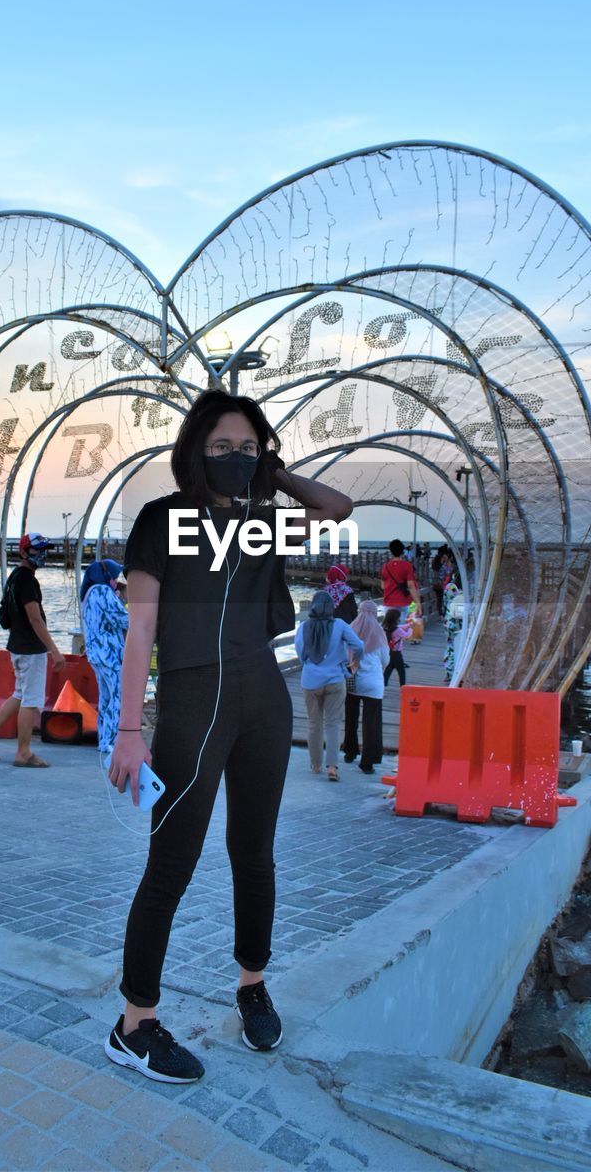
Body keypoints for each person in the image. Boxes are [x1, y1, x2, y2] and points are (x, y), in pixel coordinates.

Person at [104, 389, 353, 1084]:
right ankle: (134, 1024)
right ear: (194, 452)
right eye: (221, 448)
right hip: (191, 698)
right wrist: (130, 729)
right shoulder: (159, 520)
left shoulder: (265, 524)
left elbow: (337, 508)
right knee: (171, 862)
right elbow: (142, 628)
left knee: (255, 852)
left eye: (247, 447)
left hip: (262, 694)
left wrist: (268, 475)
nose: (234, 458)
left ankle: (251, 985)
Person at [0, 533, 65, 767]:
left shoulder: (14, 577)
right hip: (31, 649)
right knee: (31, 700)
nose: (42, 554)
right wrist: (54, 650)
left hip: (17, 646)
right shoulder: (27, 580)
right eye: (37, 550)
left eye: (44, 549)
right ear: (24, 552)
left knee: (20, 694)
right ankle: (23, 752)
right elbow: (35, 619)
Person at [295, 592, 364, 782]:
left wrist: (310, 665)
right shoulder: (340, 625)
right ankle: (332, 767)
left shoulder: (303, 627)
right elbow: (358, 645)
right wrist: (355, 662)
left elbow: (300, 653)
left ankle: (316, 764)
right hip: (334, 679)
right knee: (333, 723)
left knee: (314, 723)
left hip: (310, 681)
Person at [81, 559, 128, 755]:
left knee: (106, 697)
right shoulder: (102, 591)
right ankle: (111, 741)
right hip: (109, 653)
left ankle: (104, 739)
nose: (116, 581)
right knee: (119, 695)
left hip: (96, 653)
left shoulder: (89, 594)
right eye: (115, 577)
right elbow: (122, 619)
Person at [342, 600, 388, 773]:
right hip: (374, 683)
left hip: (353, 681)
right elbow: (386, 660)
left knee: (351, 717)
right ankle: (368, 762)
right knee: (372, 723)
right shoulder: (379, 633)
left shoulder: (351, 630)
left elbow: (344, 656)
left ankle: (349, 751)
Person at [381, 539, 421, 618]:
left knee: (389, 628)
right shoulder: (407, 566)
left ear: (391, 551)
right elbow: (410, 585)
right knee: (402, 628)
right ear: (402, 551)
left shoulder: (385, 567)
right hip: (403, 603)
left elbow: (383, 586)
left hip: (388, 603)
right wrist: (417, 603)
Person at [382, 607, 413, 687]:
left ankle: (382, 687)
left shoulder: (384, 628)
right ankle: (403, 687)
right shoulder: (398, 630)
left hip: (389, 653)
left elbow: (400, 627)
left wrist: (408, 625)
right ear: (396, 619)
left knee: (388, 671)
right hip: (397, 654)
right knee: (401, 671)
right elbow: (406, 636)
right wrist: (410, 629)